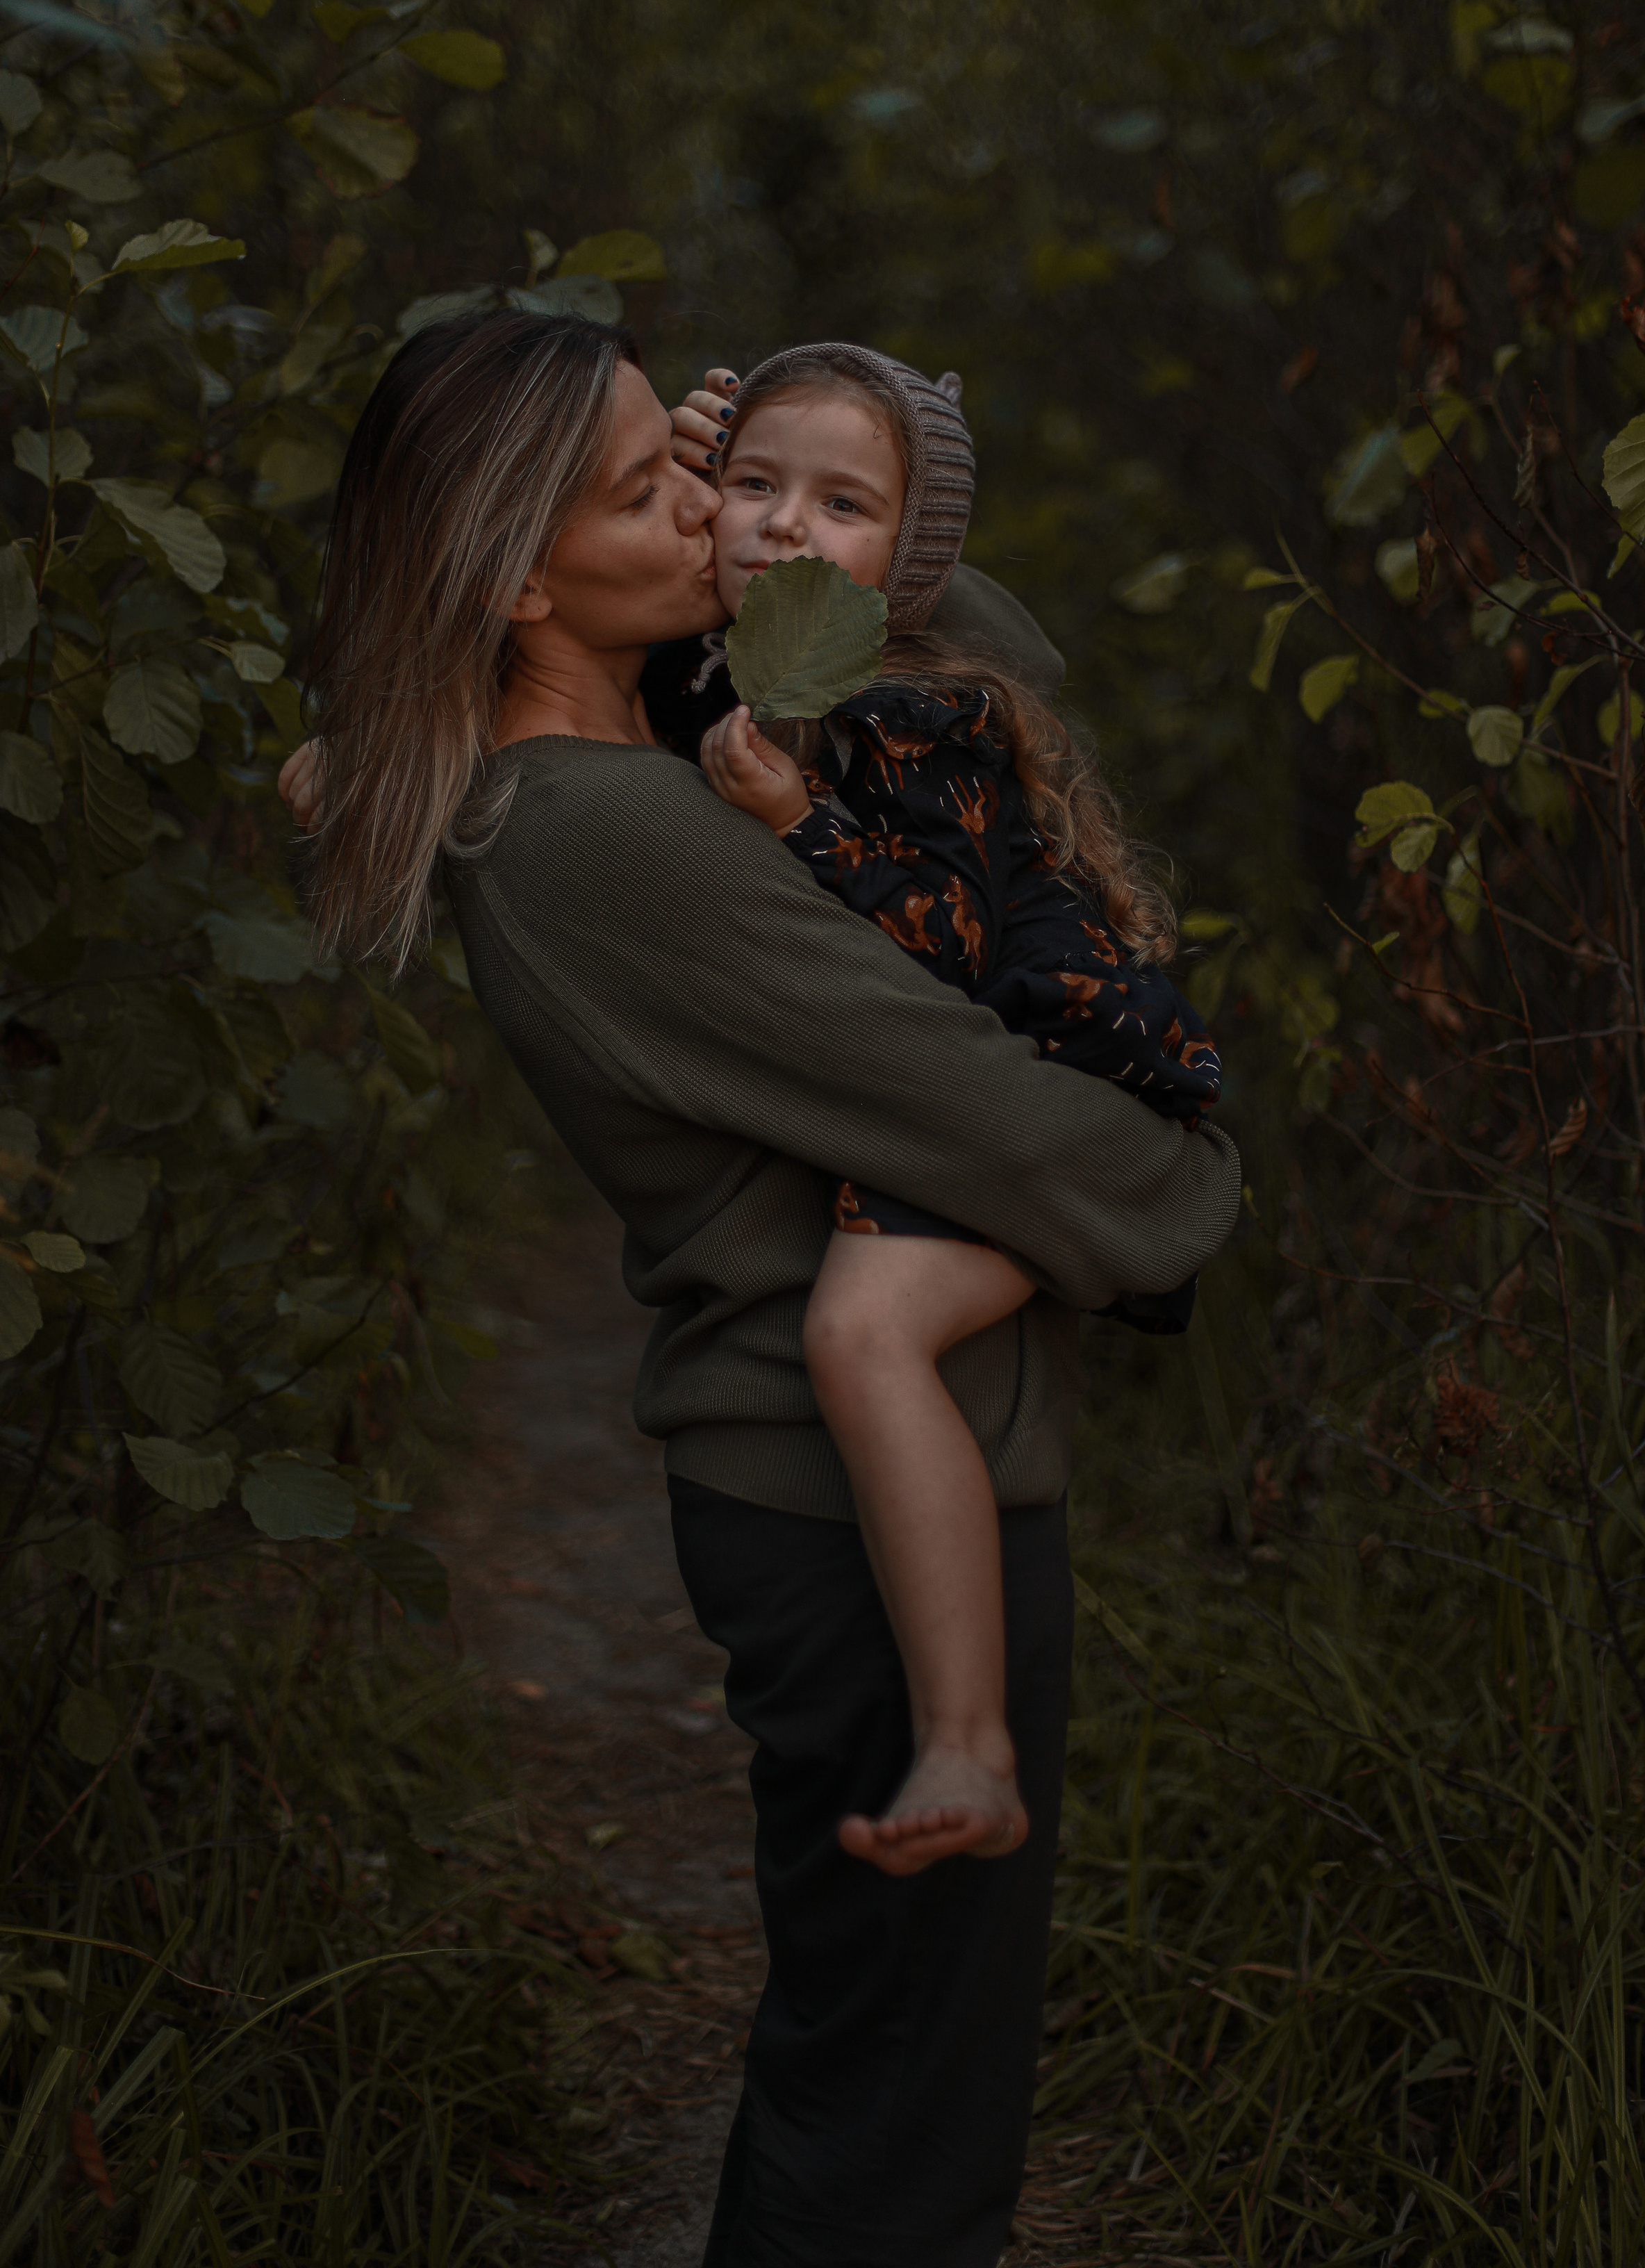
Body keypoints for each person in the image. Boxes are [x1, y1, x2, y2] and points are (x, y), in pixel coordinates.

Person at [286, 305, 1239, 2268]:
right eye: (661, 490)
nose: (720, 518)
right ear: (518, 574)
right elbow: (976, 1095)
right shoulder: (614, 830)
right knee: (896, 2116)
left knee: (888, 2076)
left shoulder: (637, 747)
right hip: (858, 1516)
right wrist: (1183, 1182)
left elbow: (1000, 668)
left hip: (855, 1493)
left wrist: (794, 497)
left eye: (700, 463)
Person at [652, 345, 1219, 1879]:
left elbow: (948, 957)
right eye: (751, 487)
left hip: (1057, 1072)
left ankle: (966, 1742)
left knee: (860, 1331)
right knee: (859, 1323)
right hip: (989, 1079)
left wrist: (799, 823)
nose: (780, 526)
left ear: (909, 564)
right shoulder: (741, 669)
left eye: (842, 506)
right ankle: (957, 1735)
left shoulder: (906, 718)